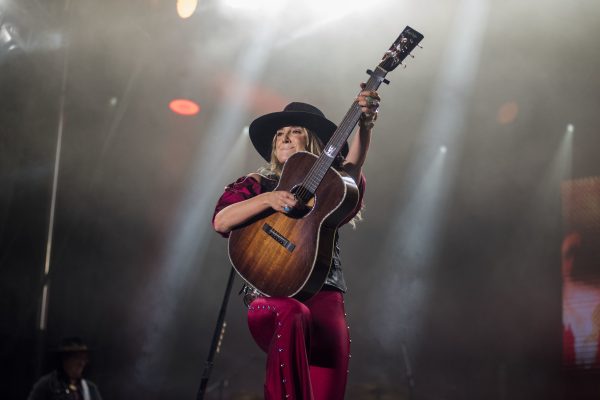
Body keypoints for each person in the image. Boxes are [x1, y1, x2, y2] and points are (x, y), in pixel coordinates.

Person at [212, 83, 380, 399]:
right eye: (279, 134)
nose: (284, 137)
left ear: (312, 140)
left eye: (294, 131)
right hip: (271, 297)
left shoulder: (332, 185)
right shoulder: (256, 183)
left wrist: (366, 125)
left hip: (327, 299)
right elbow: (221, 221)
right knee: (292, 312)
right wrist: (268, 200)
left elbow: (352, 170)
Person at [27, 337, 103, 400]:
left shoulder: (90, 388)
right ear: (65, 359)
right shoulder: (47, 385)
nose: (81, 363)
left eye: (84, 358)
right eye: (77, 358)